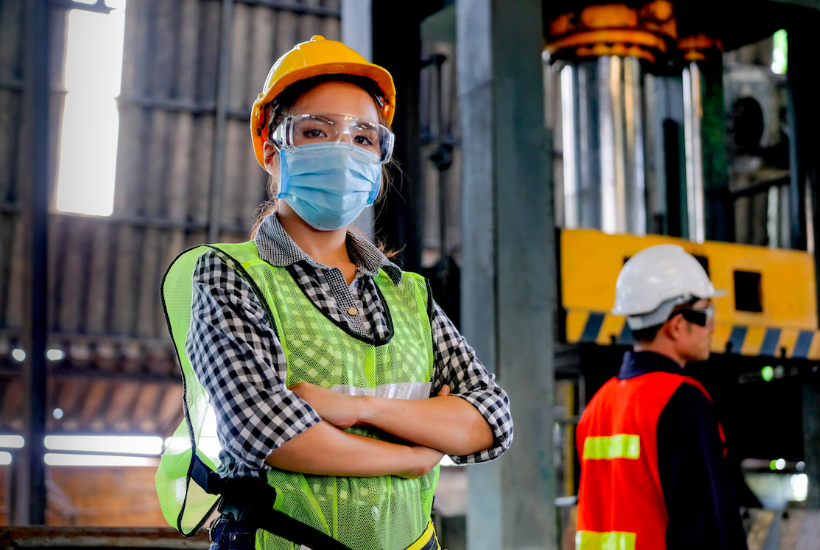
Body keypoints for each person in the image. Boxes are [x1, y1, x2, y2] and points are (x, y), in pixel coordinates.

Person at [156, 36, 512, 550]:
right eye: (316, 131)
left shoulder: (407, 293)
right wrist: (414, 454)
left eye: (364, 138)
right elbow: (270, 433)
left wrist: (358, 409)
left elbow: (491, 419)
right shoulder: (230, 275)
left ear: (379, 163)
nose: (343, 151)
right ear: (270, 149)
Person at [575, 244, 748, 550]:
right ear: (677, 325)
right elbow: (710, 524)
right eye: (706, 312)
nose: (713, 326)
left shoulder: (597, 407)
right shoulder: (681, 400)